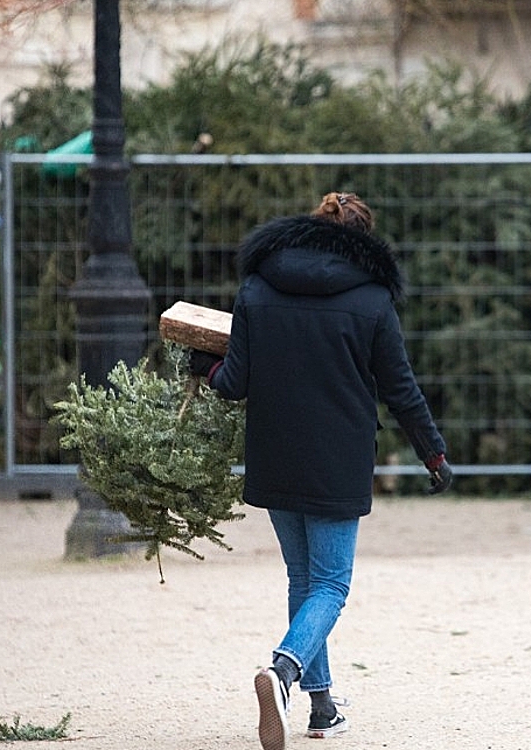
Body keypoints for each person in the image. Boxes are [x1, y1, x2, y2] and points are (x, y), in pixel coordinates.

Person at [189, 191, 452, 750]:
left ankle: (322, 705)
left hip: (275, 453)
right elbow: (400, 390)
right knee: (331, 584)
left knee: (304, 581)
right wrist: (432, 452)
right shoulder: (374, 300)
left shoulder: (258, 288)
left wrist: (203, 364)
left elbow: (233, 383)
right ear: (362, 243)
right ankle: (283, 674)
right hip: (338, 460)